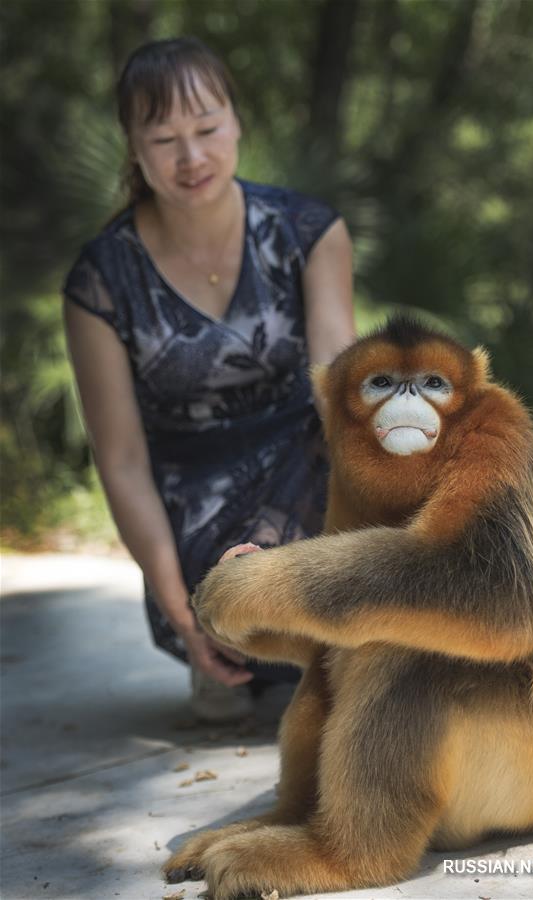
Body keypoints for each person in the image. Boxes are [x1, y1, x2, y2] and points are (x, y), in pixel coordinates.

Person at [62, 37, 355, 722]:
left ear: (237, 121)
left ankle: (328, 636)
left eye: (207, 128)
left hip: (306, 480)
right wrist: (184, 618)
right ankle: (231, 637)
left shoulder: (307, 231)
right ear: (132, 147)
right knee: (230, 586)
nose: (191, 158)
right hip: (194, 512)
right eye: (163, 138)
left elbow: (338, 392)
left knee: (349, 429)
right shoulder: (101, 281)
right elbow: (124, 462)